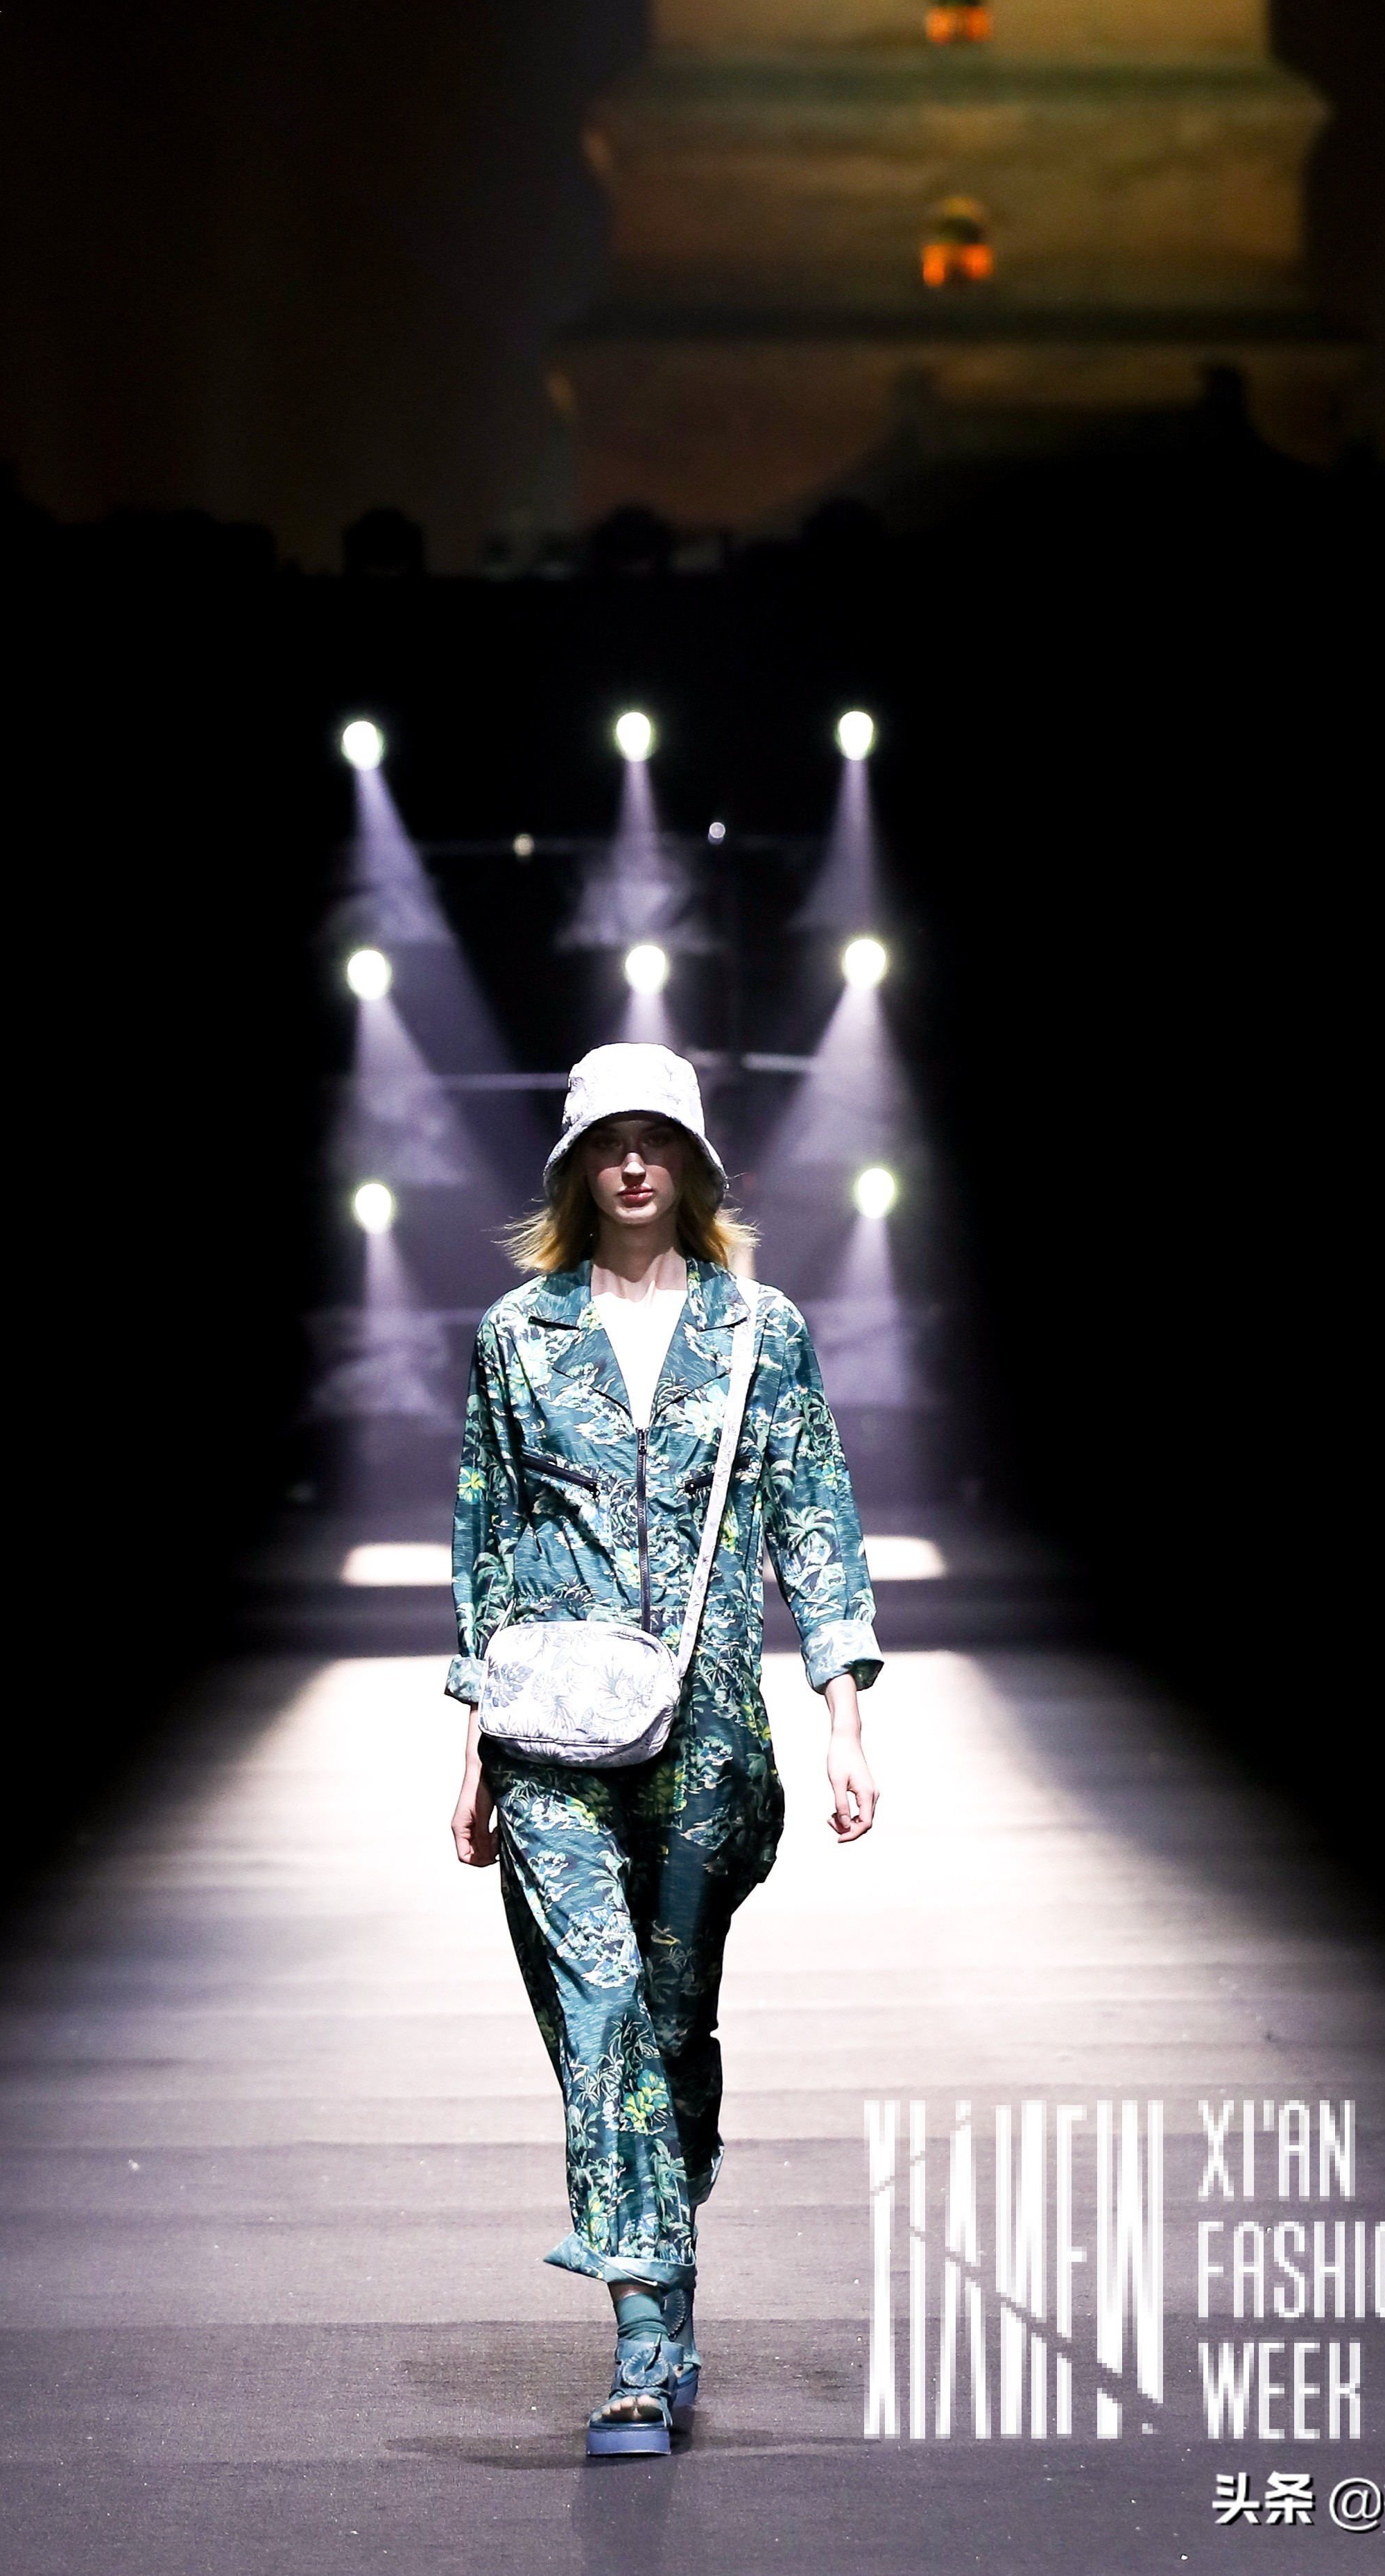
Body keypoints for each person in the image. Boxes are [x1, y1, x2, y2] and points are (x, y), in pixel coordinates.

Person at [447, 1040, 880, 2460]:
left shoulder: (760, 1327)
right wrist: (473, 1740)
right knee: (603, 2009)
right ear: (575, 1165)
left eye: (657, 1139)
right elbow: (488, 1539)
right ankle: (640, 2334)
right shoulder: (518, 1335)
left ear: (693, 1162)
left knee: (674, 2022)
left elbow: (813, 1512)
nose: (633, 1162)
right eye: (608, 1141)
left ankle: (667, 2272)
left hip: (707, 1738)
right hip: (550, 1736)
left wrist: (844, 1715)